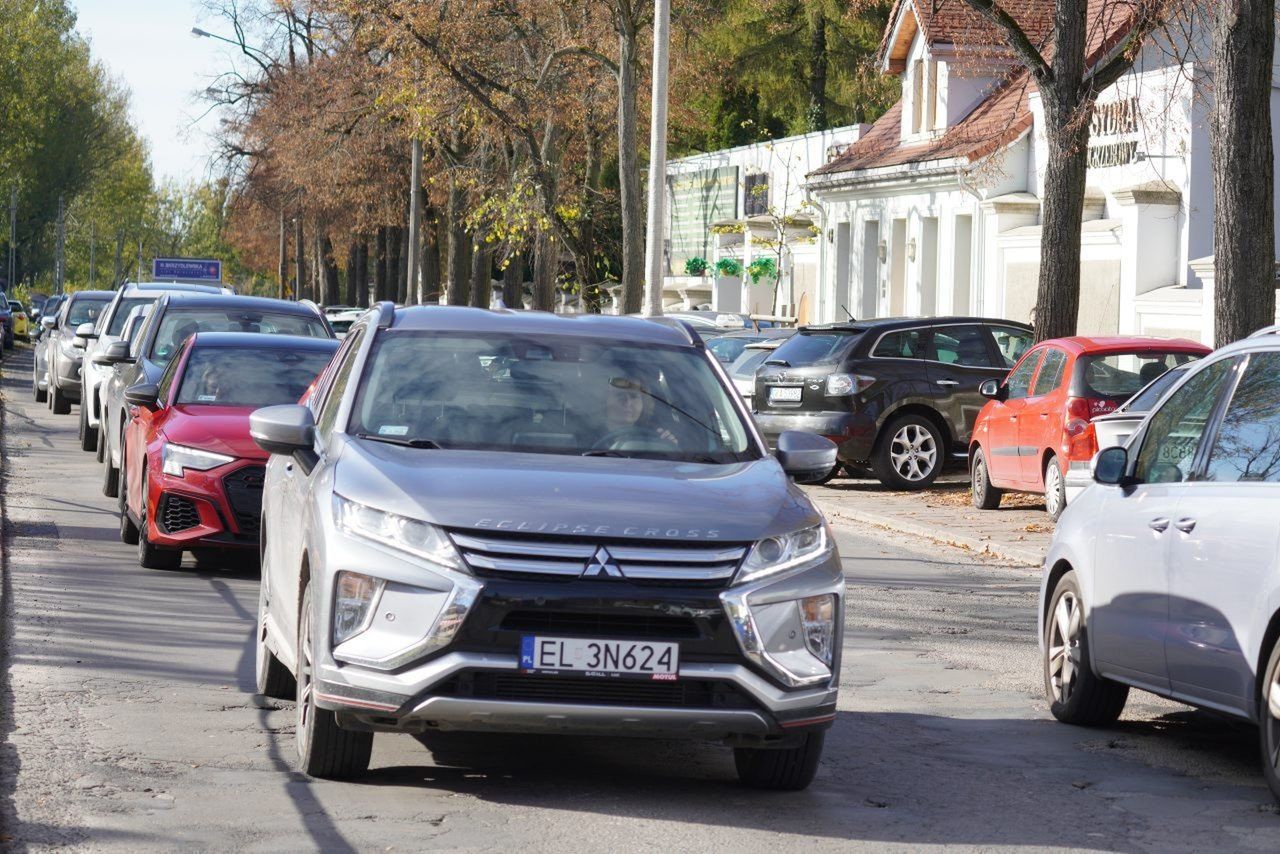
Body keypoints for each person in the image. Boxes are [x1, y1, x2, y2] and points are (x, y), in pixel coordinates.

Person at [602, 377, 678, 448]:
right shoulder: (590, 438)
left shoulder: (655, 437)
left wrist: (669, 446)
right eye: (620, 395)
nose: (628, 403)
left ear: (643, 403)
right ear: (605, 400)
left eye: (633, 396)